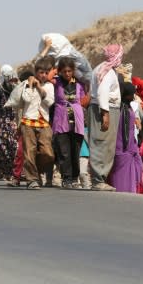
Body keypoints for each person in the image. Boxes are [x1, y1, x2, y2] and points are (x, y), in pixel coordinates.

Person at [88, 44, 123, 191]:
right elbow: (103, 92)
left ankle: (99, 179)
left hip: (103, 109)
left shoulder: (102, 68)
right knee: (101, 144)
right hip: (104, 110)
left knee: (104, 144)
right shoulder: (107, 72)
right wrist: (105, 114)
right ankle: (98, 180)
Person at [20, 58, 55, 190]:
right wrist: (30, 85)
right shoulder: (26, 84)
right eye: (41, 72)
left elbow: (49, 102)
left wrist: (39, 88)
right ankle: (32, 180)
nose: (44, 75)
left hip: (43, 122)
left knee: (48, 153)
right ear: (36, 72)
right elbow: (26, 98)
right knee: (29, 151)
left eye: (46, 73)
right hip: (28, 121)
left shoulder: (50, 86)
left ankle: (37, 171)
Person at [52, 57, 86, 189]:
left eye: (69, 71)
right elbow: (48, 77)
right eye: (64, 71)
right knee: (64, 151)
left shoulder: (79, 84)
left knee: (75, 151)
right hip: (61, 121)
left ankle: (74, 178)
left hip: (77, 122)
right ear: (60, 71)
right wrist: (56, 69)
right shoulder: (57, 82)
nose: (67, 74)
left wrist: (77, 108)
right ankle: (66, 178)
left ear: (73, 71)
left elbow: (84, 98)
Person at [107, 82, 143, 193]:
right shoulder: (124, 110)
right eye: (132, 94)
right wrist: (129, 149)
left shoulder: (125, 108)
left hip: (125, 147)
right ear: (127, 95)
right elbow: (125, 132)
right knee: (122, 178)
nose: (133, 96)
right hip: (124, 148)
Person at [0, 64, 20, 184]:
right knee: (2, 148)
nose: (10, 79)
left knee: (13, 147)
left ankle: (13, 172)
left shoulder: (15, 88)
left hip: (12, 122)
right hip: (2, 122)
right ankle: (4, 173)